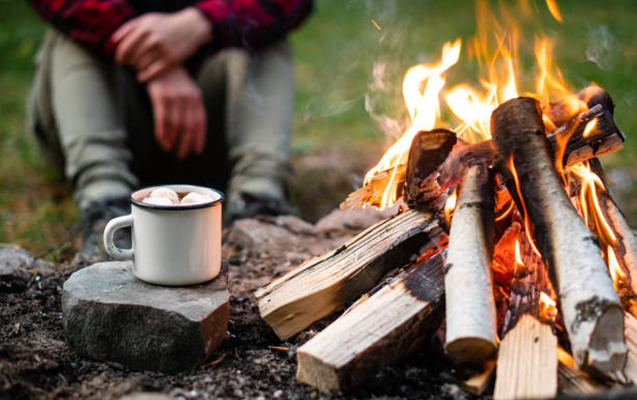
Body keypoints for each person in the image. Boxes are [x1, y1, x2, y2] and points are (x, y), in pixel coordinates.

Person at [25, 0, 314, 257]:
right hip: (100, 107)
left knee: (257, 30)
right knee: (70, 39)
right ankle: (105, 209)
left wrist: (205, 22)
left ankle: (258, 205)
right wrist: (154, 58)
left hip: (212, 126)